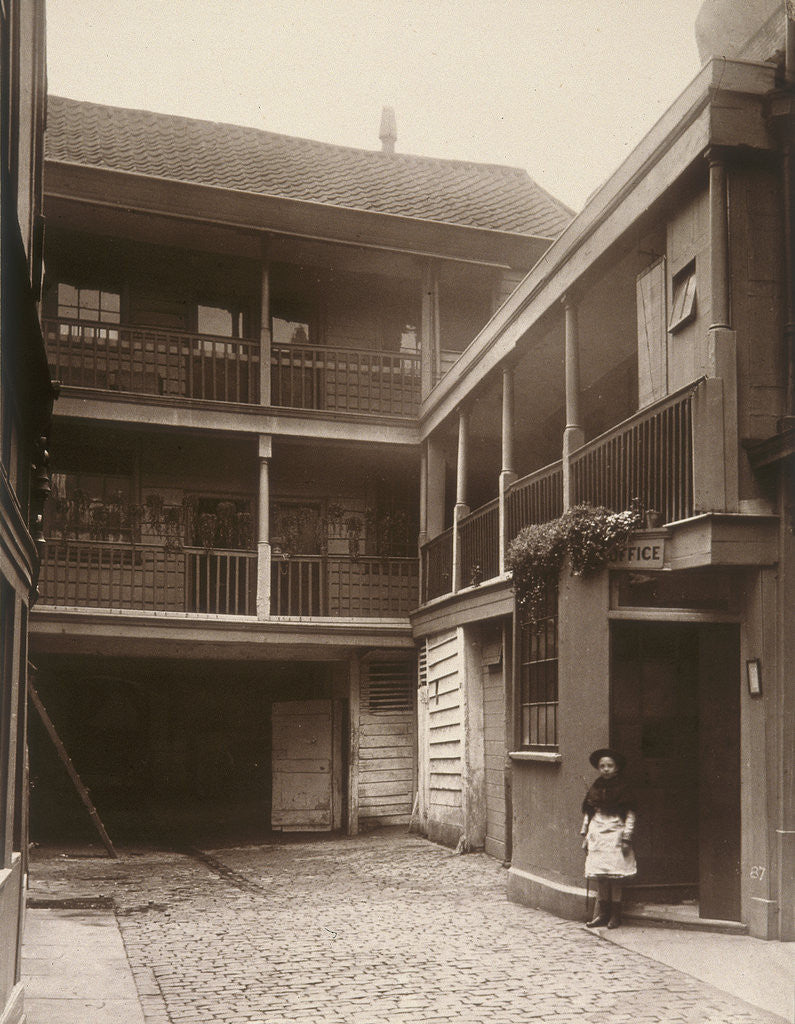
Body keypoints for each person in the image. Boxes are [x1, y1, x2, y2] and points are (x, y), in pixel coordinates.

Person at [580, 747, 637, 929]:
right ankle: (602, 914)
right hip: (598, 833)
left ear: (616, 768)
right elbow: (589, 813)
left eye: (610, 766)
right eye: (602, 766)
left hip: (615, 832)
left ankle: (615, 915)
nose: (605, 769)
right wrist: (586, 834)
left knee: (614, 876)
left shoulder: (624, 788)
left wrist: (626, 838)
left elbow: (630, 815)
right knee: (601, 876)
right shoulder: (595, 786)